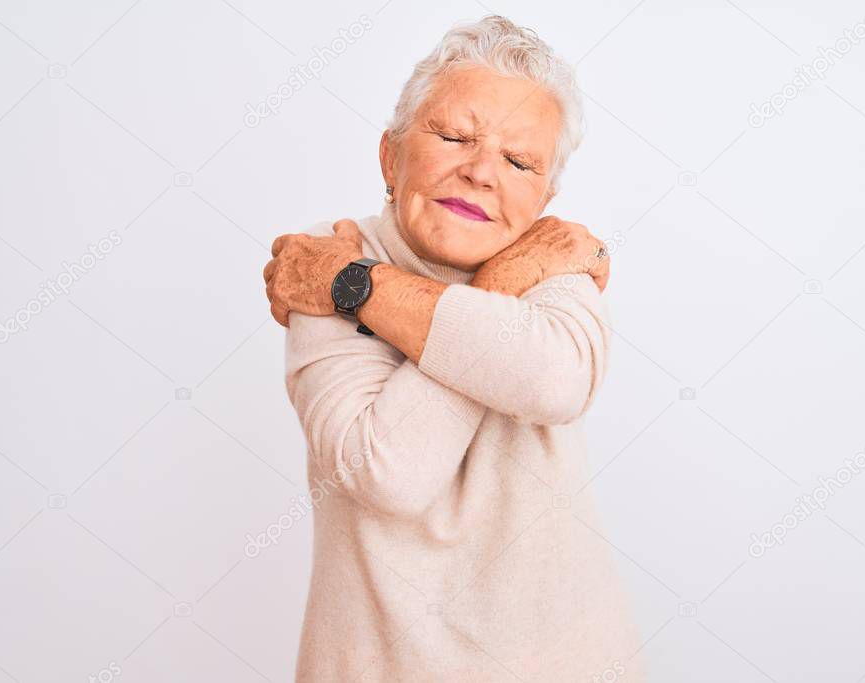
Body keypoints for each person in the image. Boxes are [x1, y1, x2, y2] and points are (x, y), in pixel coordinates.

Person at [263, 14, 645, 682]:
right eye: (453, 135)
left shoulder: (554, 261)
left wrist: (356, 291)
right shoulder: (331, 252)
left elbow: (555, 380)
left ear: (544, 197)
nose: (480, 172)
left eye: (519, 161)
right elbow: (387, 469)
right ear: (390, 155)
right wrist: (496, 287)